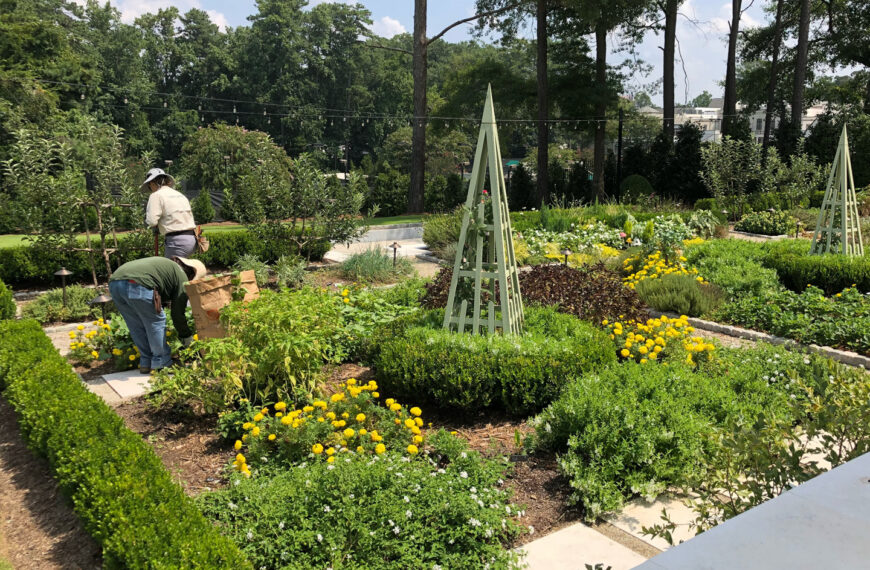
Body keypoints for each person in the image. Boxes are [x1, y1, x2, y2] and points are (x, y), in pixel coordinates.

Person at [109, 256, 206, 374]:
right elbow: (177, 314)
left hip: (115, 282)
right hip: (137, 283)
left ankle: (146, 362)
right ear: (192, 274)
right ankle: (161, 363)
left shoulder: (166, 267)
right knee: (156, 322)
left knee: (136, 325)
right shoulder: (182, 277)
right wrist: (186, 337)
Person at [142, 168, 198, 258]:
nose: (150, 188)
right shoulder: (179, 194)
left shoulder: (156, 195)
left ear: (152, 183)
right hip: (192, 239)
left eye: (149, 185)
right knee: (183, 269)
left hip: (176, 241)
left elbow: (152, 221)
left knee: (171, 270)